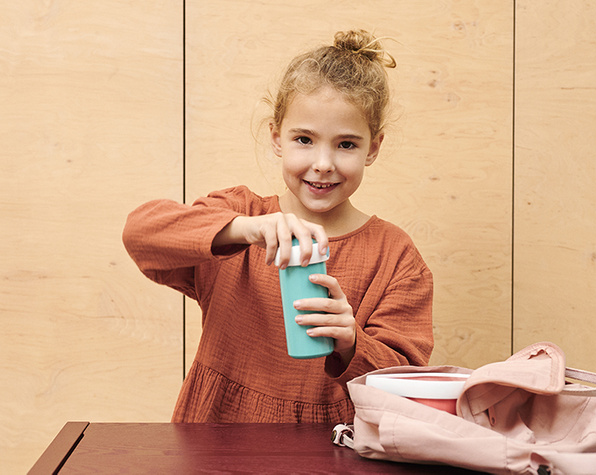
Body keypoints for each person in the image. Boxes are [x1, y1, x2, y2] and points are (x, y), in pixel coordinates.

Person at [122, 29, 434, 423]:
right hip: (215, 433)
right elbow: (141, 233)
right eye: (304, 139)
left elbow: (405, 380)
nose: (323, 163)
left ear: (373, 148)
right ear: (276, 138)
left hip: (331, 444)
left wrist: (352, 341)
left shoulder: (395, 256)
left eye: (347, 144)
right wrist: (243, 229)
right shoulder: (240, 214)